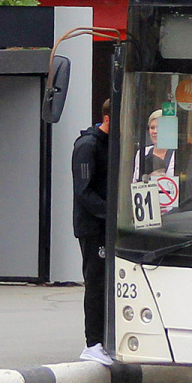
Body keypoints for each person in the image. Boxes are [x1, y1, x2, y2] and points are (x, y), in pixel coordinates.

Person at [72, 99, 112, 365]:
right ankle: (93, 342)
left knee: (107, 282)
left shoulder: (111, 144)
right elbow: (83, 190)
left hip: (107, 225)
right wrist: (111, 213)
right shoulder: (88, 145)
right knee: (96, 282)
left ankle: (105, 338)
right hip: (93, 227)